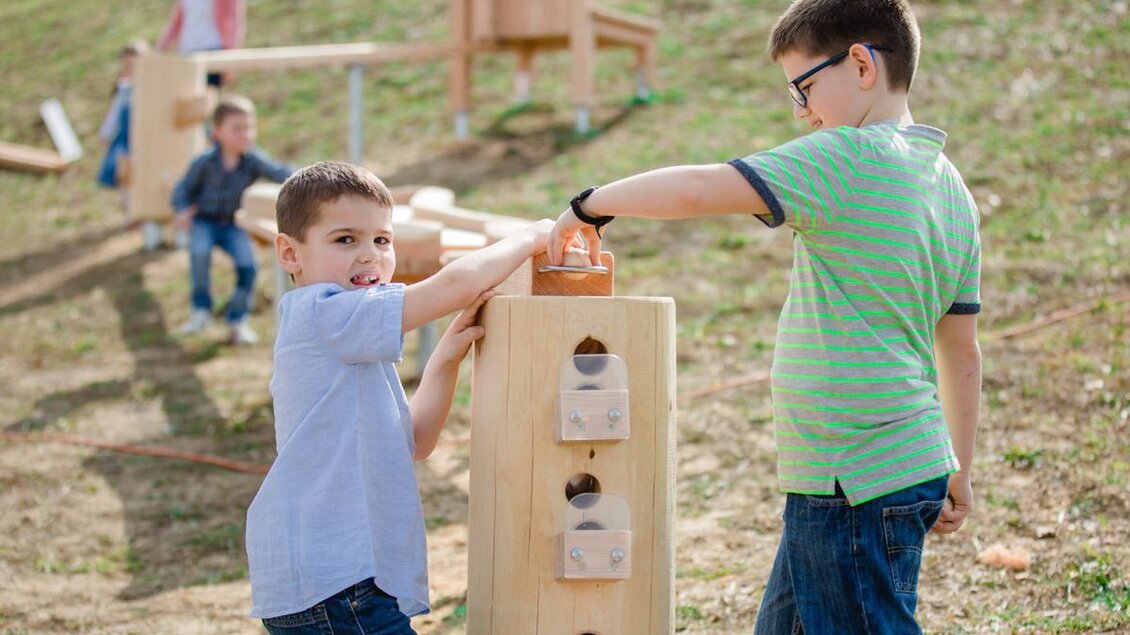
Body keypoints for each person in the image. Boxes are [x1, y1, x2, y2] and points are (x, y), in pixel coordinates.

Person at [547, 1, 982, 632]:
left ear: (860, 63)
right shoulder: (952, 190)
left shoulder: (846, 157)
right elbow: (961, 349)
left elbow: (701, 188)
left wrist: (591, 206)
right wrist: (959, 466)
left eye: (804, 88)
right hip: (902, 461)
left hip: (850, 472)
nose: (803, 113)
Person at [244, 161, 555, 633]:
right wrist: (533, 236)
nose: (369, 255)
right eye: (345, 239)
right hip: (338, 583)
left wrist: (444, 360)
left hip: (342, 579)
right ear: (289, 253)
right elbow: (455, 284)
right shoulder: (325, 315)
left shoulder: (350, 338)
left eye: (382, 240)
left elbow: (415, 442)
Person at [170, 94, 295, 344]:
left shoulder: (252, 160)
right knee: (199, 253)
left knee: (248, 266)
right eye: (237, 129)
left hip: (233, 223)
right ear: (217, 132)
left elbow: (279, 172)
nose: (245, 135)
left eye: (249, 127)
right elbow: (182, 190)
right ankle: (201, 310)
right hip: (204, 221)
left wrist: (312, 176)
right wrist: (182, 210)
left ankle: (237, 319)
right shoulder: (204, 162)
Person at [96, 40, 148, 216]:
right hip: (127, 138)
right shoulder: (125, 89)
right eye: (127, 64)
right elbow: (115, 113)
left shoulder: (154, 86)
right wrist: (105, 134)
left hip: (148, 136)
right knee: (125, 173)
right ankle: (131, 211)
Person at [156, 0, 245, 88]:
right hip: (186, 52)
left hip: (212, 51)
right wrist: (161, 47)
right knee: (185, 95)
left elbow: (233, 22)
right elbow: (177, 22)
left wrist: (230, 59)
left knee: (207, 95)